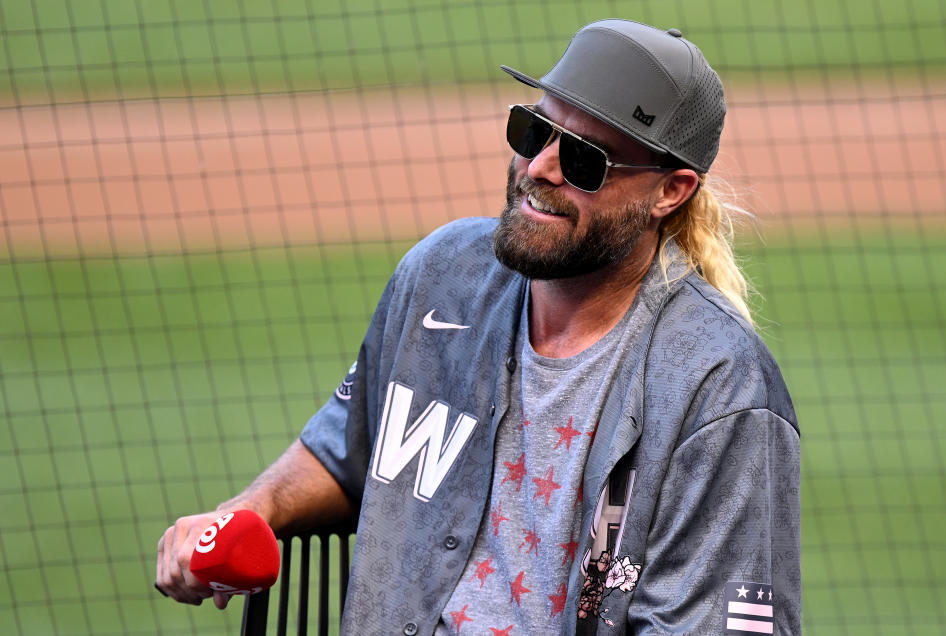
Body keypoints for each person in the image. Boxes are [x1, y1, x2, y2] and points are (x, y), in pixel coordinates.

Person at [156, 19, 800, 635]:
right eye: (534, 129)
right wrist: (246, 511)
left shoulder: (718, 388)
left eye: (583, 160)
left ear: (671, 191)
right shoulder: (441, 276)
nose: (541, 167)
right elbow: (346, 449)